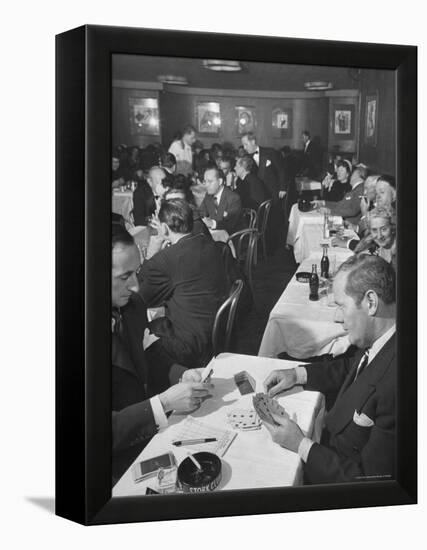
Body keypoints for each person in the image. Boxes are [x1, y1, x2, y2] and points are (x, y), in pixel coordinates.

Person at [263, 254, 396, 484]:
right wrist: (297, 374)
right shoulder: (382, 338)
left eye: (342, 307)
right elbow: (351, 368)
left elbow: (370, 481)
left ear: (371, 303)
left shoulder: (399, 384)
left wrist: (301, 445)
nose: (338, 318)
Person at [111, 223, 212, 483]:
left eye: (137, 273)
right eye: (125, 277)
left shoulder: (132, 307)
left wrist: (181, 374)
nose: (135, 287)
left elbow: (149, 354)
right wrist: (163, 403)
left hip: (149, 437)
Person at [138, 199, 226, 369]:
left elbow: (141, 299)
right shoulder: (209, 244)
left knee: (136, 332)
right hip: (214, 332)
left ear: (163, 228)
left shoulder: (165, 260)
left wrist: (149, 256)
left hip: (190, 344)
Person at [199, 166, 243, 234]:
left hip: (233, 238)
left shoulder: (233, 198)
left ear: (220, 181)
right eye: (205, 181)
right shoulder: (209, 195)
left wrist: (212, 223)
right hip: (217, 234)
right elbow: (201, 212)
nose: (206, 185)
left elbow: (230, 224)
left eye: (210, 181)